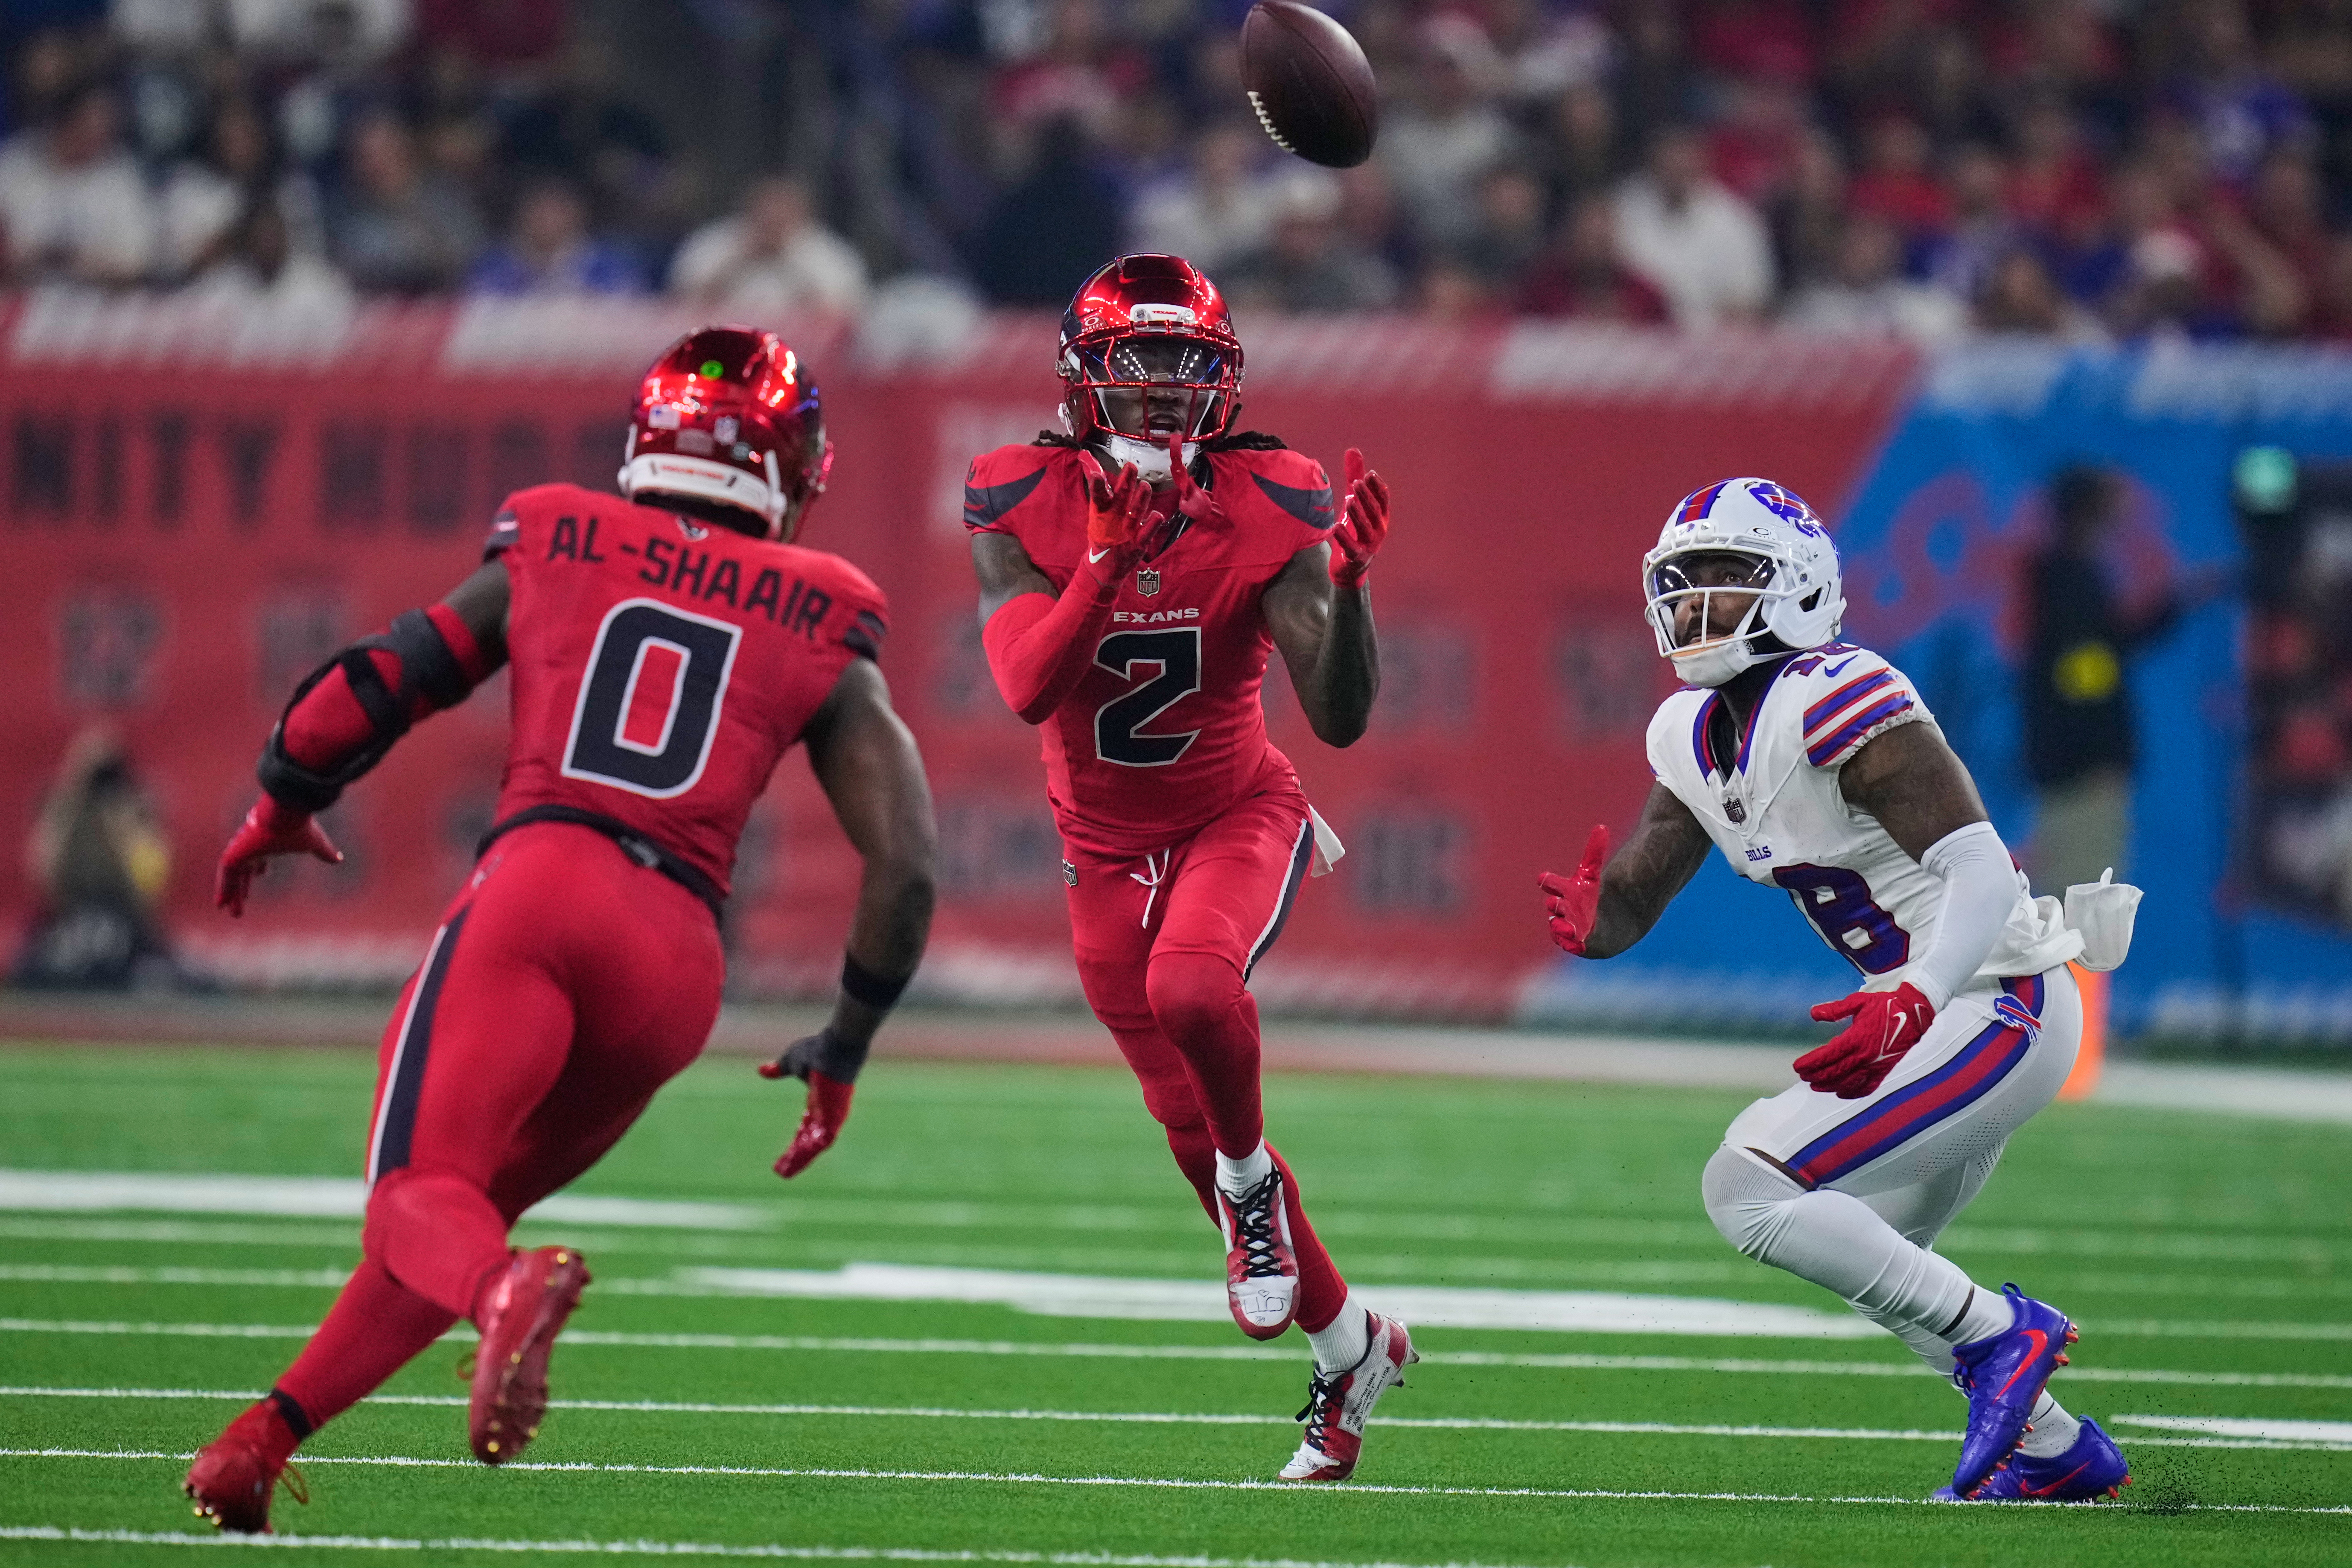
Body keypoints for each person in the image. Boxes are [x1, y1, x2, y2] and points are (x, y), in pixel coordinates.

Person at [181, 327, 937, 1532]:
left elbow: (384, 678)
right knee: (458, 1217)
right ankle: (256, 1444)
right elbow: (905, 864)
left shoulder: (565, 532)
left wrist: (283, 799)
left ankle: (503, 1291)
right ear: (788, 469)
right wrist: (842, 1046)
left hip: (545, 886)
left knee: (419, 1200)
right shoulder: (819, 608)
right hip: (677, 966)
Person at [1538, 477, 2137, 1503]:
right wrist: (1599, 922)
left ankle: (2008, 1337)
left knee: (1748, 1186)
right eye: (1682, 585)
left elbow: (1982, 869)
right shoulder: (1689, 729)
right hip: (1930, 1009)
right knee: (1872, 1255)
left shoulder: (1837, 692)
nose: (1696, 607)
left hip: (1997, 998)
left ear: (1798, 587)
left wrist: (1916, 995)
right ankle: (2053, 1449)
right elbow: (1642, 881)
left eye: (1726, 579)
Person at [962, 254, 1406, 1483]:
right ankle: (1353, 1349)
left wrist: (1353, 593)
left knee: (1197, 996)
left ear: (1227, 383)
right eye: (1139, 360)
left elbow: (1343, 713)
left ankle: (1252, 1188)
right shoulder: (1018, 493)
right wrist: (1105, 560)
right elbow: (1025, 687)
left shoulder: (1274, 491)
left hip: (1235, 812)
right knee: (1184, 1128)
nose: (1162, 388)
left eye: (1187, 364)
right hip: (1099, 846)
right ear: (1080, 375)